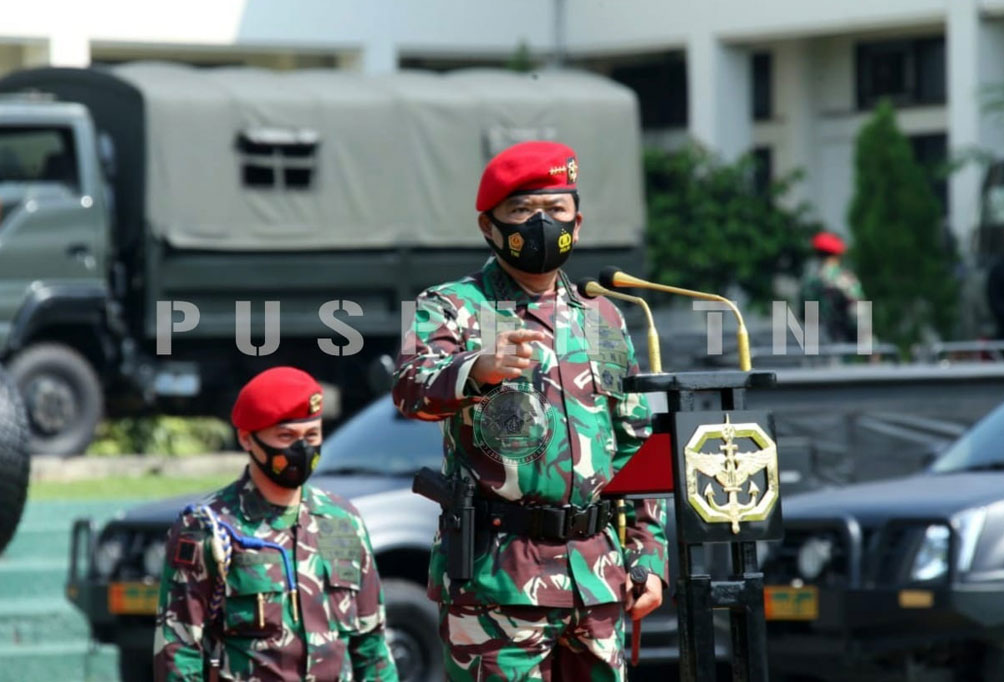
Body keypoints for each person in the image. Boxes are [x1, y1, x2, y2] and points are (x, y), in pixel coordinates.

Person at [392, 141, 668, 681]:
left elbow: (637, 443)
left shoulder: (602, 314)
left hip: (598, 578)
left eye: (555, 210)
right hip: (500, 579)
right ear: (488, 227)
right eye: (522, 212)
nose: (541, 224)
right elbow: (409, 390)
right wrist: (477, 369)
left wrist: (649, 557)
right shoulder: (455, 306)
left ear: (578, 222)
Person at [154, 366, 398, 682]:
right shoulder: (208, 528)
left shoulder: (343, 520)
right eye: (286, 437)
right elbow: (179, 650)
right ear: (247, 438)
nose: (302, 449)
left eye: (312, 435)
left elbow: (372, 645)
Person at [800, 231, 865, 344]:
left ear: (817, 255)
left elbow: (803, 315)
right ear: (838, 256)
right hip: (842, 345)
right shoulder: (845, 280)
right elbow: (858, 316)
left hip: (816, 347)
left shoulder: (808, 283)